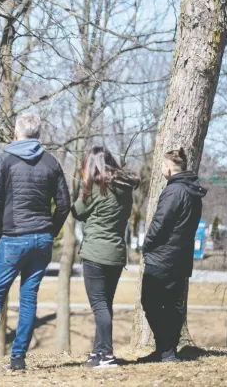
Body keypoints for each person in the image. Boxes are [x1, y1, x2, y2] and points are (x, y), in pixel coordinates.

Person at [0, 112, 70, 371]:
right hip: (41, 239)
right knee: (29, 297)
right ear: (39, 135)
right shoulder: (51, 163)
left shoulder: (5, 160)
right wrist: (50, 231)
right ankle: (18, 358)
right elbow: (64, 204)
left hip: (13, 238)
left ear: (16, 134)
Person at [72, 146, 139, 368]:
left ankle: (107, 355)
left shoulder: (95, 189)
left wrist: (84, 187)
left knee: (99, 305)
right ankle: (98, 351)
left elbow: (77, 212)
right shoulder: (125, 188)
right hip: (117, 253)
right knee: (105, 303)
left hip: (95, 254)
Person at [138, 148, 206, 363]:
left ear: (168, 167)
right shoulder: (193, 191)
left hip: (163, 257)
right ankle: (165, 350)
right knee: (172, 304)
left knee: (150, 301)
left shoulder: (174, 191)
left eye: (161, 166)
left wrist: (146, 244)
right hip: (181, 257)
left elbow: (160, 223)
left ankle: (166, 350)